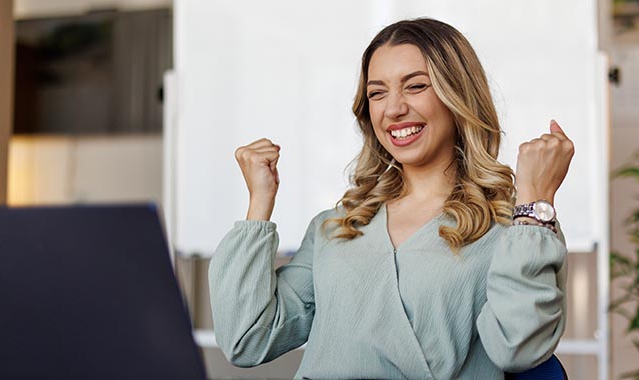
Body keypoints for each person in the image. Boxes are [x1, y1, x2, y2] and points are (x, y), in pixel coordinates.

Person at [210, 18, 574, 379]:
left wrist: (535, 202)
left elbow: (519, 348)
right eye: (377, 93)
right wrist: (260, 202)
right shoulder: (337, 226)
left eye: (415, 86)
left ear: (458, 95)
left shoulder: (513, 228)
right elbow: (248, 339)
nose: (394, 108)